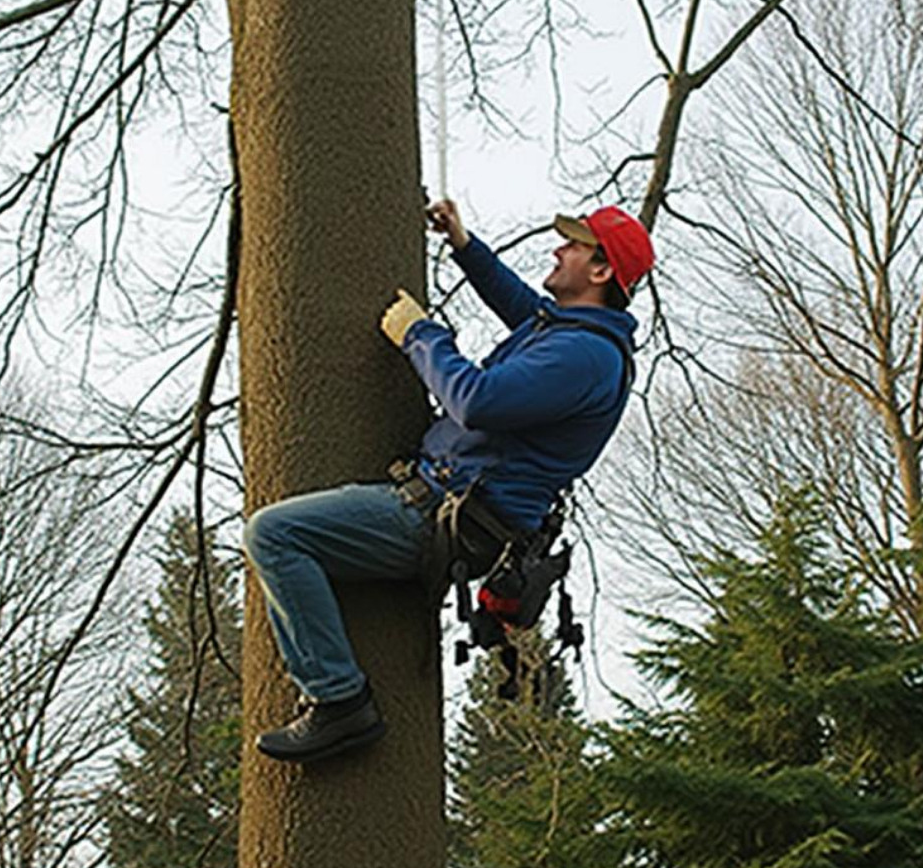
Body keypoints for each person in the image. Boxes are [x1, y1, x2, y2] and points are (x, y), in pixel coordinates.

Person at [243, 199, 655, 763]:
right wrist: (464, 245)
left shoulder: (584, 356)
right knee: (280, 532)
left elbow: (476, 401)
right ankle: (336, 696)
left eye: (574, 246)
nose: (559, 249)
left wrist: (420, 335)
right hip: (445, 503)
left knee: (273, 534)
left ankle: (338, 700)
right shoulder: (569, 332)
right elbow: (521, 305)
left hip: (446, 518)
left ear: (602, 272)